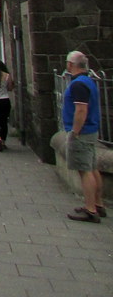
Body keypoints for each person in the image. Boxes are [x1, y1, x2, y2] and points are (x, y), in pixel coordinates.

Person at [63, 51, 106, 222]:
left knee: (85, 170)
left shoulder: (78, 84)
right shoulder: (88, 81)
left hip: (82, 132)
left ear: (71, 65)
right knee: (92, 167)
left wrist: (75, 131)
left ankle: (90, 210)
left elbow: (81, 110)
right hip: (91, 130)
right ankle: (98, 204)